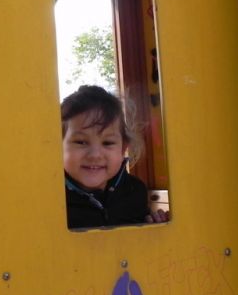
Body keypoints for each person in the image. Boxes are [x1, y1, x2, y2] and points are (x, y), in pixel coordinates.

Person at [61, 85, 169, 229]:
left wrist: (155, 226)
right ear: (57, 148)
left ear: (123, 149)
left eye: (107, 143)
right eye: (81, 142)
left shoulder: (134, 190)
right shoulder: (50, 197)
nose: (95, 155)